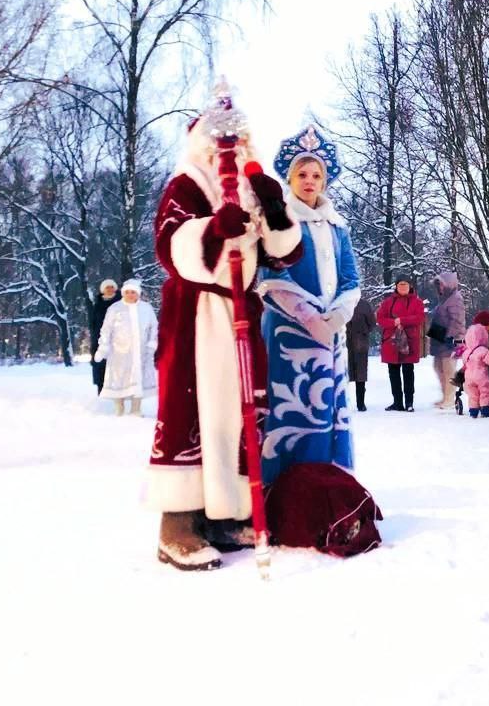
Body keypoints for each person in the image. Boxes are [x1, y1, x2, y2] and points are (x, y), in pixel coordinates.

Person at [147, 85, 304, 571]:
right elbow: (169, 244)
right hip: (196, 313)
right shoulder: (187, 184)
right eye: (221, 140)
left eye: (237, 140)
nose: (229, 149)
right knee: (191, 407)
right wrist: (214, 229)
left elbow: (285, 253)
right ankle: (178, 522)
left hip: (243, 309)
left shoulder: (256, 186)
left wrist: (275, 212)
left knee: (237, 414)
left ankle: (224, 513)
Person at [258, 124, 362, 486]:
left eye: (316, 174)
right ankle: (284, 491)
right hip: (289, 334)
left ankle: (325, 491)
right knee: (292, 409)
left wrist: (338, 314)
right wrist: (307, 314)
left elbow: (351, 278)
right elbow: (272, 276)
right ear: (290, 177)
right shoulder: (279, 222)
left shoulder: (338, 226)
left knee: (326, 409)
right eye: (302, 174)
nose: (309, 180)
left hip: (331, 334)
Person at [94, 278, 158, 416]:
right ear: (123, 293)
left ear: (138, 294)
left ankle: (136, 409)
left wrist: (152, 343)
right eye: (127, 292)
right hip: (119, 352)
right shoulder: (115, 308)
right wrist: (103, 347)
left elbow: (154, 327)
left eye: (133, 292)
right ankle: (119, 407)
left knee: (138, 378)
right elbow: (106, 329)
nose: (130, 295)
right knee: (119, 378)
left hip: (141, 352)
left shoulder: (146, 308)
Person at [377, 278, 425, 411]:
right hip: (391, 341)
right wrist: (393, 323)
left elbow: (419, 318)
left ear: (410, 286)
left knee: (408, 372)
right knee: (393, 373)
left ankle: (409, 402)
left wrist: (402, 320)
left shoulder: (417, 302)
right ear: (396, 286)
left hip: (409, 341)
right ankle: (397, 402)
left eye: (405, 284)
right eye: (400, 284)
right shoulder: (388, 302)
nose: (403, 287)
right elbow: (380, 318)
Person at [429, 271, 466, 410]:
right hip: (441, 339)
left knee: (449, 370)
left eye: (442, 284)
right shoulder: (444, 299)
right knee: (438, 367)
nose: (440, 287)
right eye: (438, 285)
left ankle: (450, 398)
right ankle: (445, 395)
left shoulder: (455, 298)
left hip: (450, 340)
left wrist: (449, 338)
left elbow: (457, 321)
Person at [457, 321, 489, 419]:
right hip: (481, 376)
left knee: (473, 395)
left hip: (469, 377)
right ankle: (485, 410)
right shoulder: (483, 350)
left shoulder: (466, 352)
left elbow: (465, 364)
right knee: (485, 392)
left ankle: (473, 412)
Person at [346, 295, 377, 412]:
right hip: (343, 343)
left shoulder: (364, 305)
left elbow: (372, 323)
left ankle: (361, 403)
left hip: (360, 343)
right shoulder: (339, 304)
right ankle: (342, 402)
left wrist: (362, 333)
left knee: (360, 374)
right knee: (343, 373)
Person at [89, 278, 119, 395]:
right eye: (107, 287)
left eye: (112, 287)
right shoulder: (97, 304)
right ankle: (101, 393)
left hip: (117, 340)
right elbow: (93, 323)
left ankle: (118, 395)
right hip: (99, 339)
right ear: (103, 290)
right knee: (100, 366)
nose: (110, 289)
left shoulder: (120, 303)